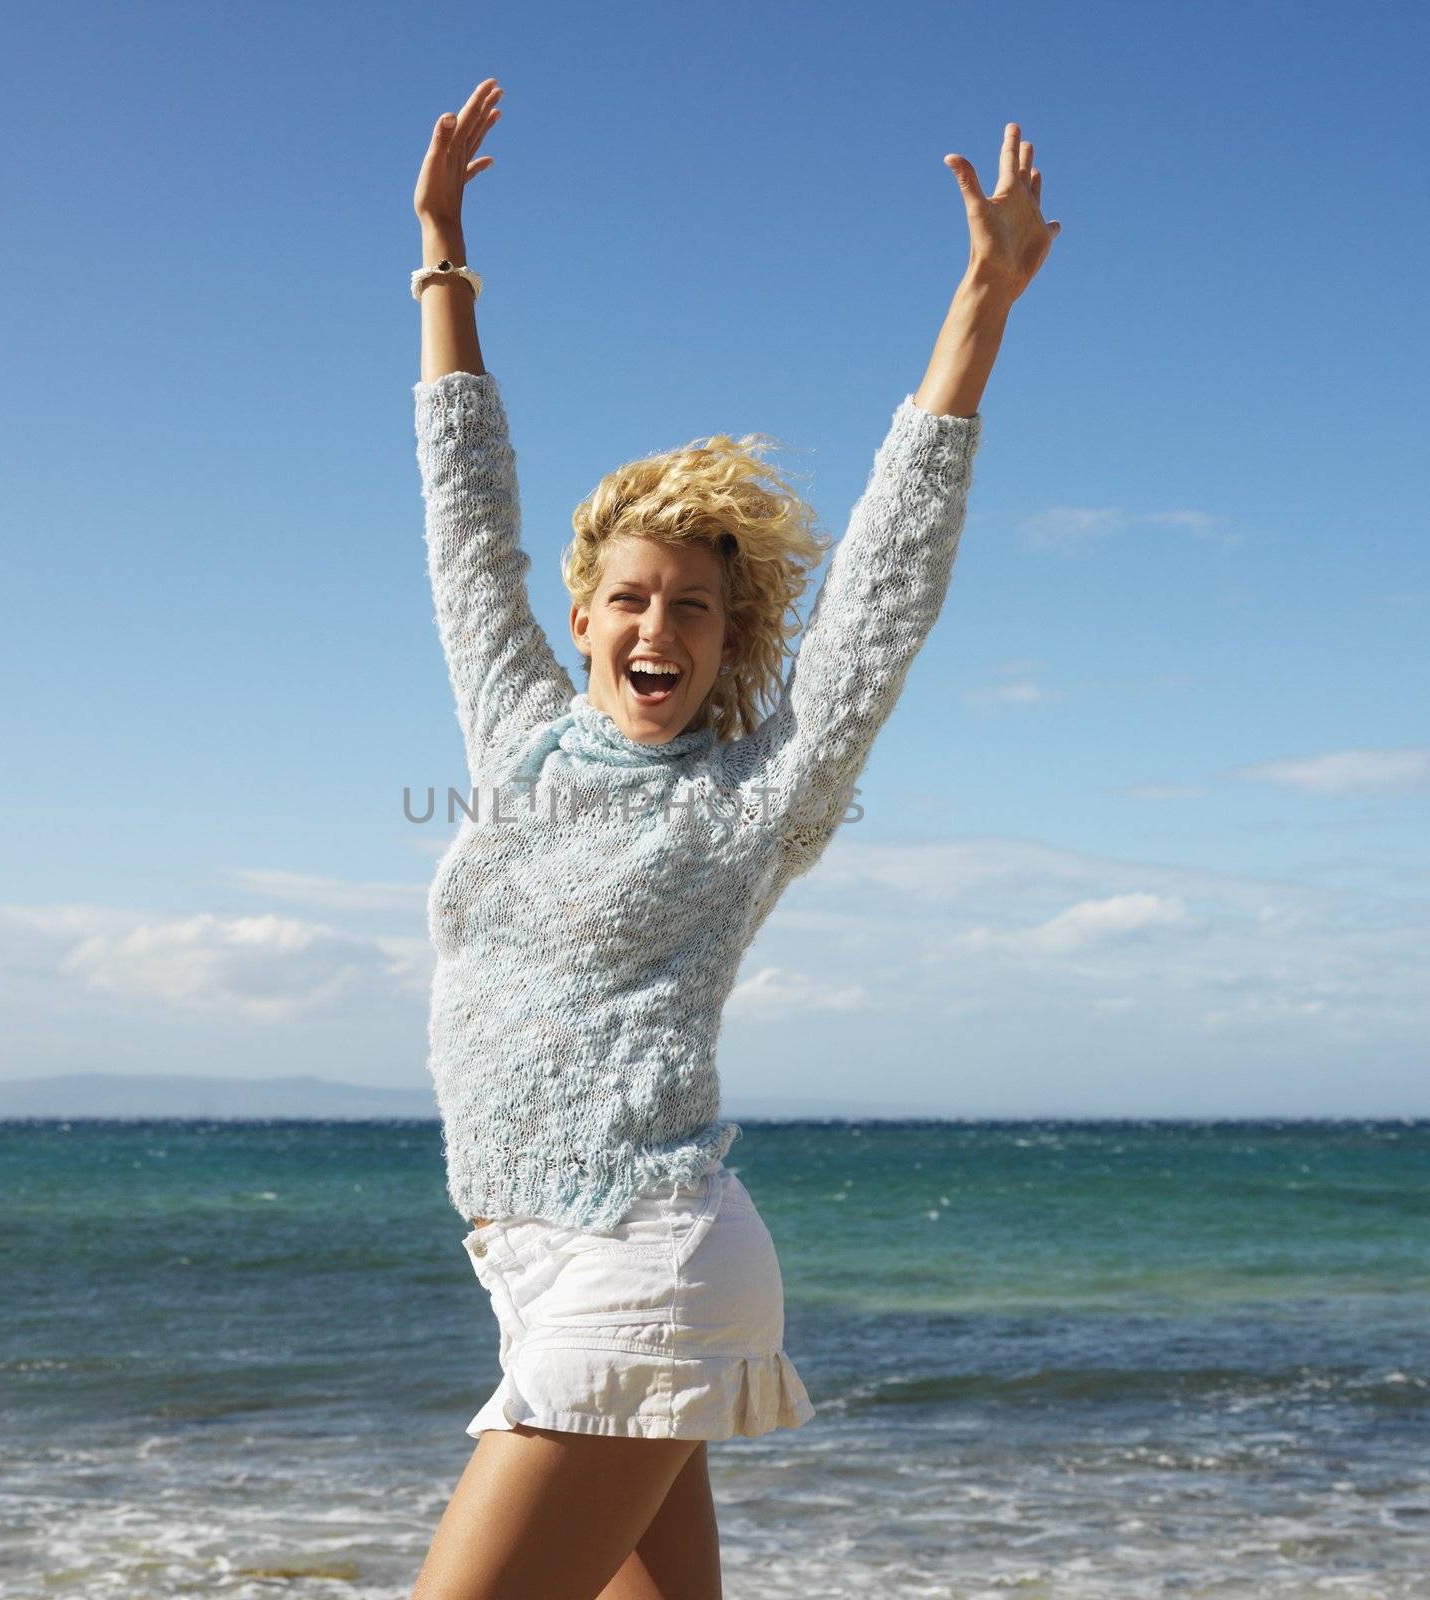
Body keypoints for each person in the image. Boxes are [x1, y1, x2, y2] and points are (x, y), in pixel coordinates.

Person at [407, 75, 1059, 1600]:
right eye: (630, 600)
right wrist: (442, 254)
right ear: (579, 621)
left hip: (644, 1259)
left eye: (693, 608)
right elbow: (461, 507)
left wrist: (981, 307)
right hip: (532, 1265)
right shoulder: (517, 732)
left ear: (728, 637)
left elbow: (885, 588)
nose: (659, 627)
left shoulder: (758, 789)